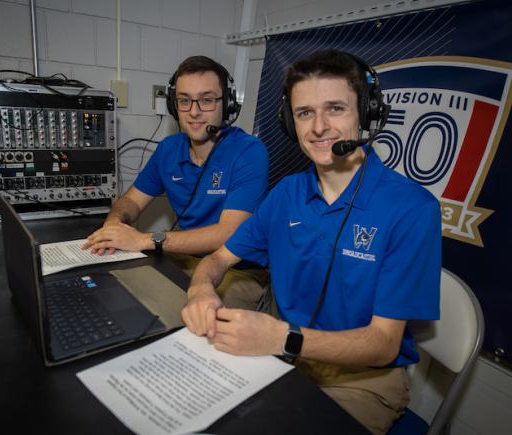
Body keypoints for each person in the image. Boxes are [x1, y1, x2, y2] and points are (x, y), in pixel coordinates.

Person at [181, 49, 441, 434]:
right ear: (291, 122)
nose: (319, 127)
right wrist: (200, 291)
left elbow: (384, 343)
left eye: (335, 108)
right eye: (305, 113)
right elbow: (217, 259)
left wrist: (280, 337)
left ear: (367, 114)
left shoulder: (412, 209)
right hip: (286, 357)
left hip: (362, 380)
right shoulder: (286, 194)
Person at [84, 55, 269, 310]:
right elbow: (129, 202)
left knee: (204, 325)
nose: (194, 111)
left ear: (226, 105)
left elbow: (228, 233)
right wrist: (113, 225)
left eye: (206, 100)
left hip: (237, 269)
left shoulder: (249, 151)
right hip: (184, 257)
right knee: (120, 299)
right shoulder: (169, 149)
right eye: (184, 101)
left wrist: (145, 240)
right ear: (174, 106)